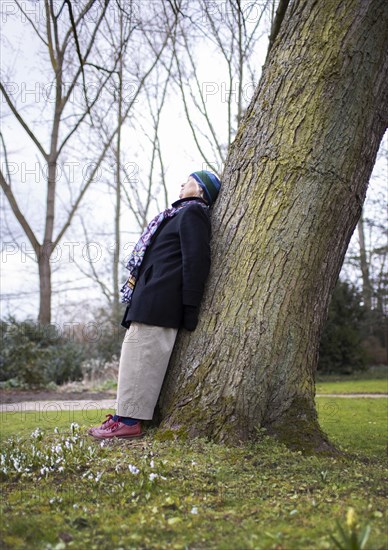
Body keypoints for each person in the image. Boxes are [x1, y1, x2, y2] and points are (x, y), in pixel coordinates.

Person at [88, 170, 221, 439]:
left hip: (162, 301)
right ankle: (122, 416)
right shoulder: (176, 214)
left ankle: (128, 421)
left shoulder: (193, 214)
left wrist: (190, 308)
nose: (182, 183)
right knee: (134, 357)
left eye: (189, 181)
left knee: (142, 358)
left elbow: (196, 263)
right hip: (150, 298)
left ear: (201, 190)